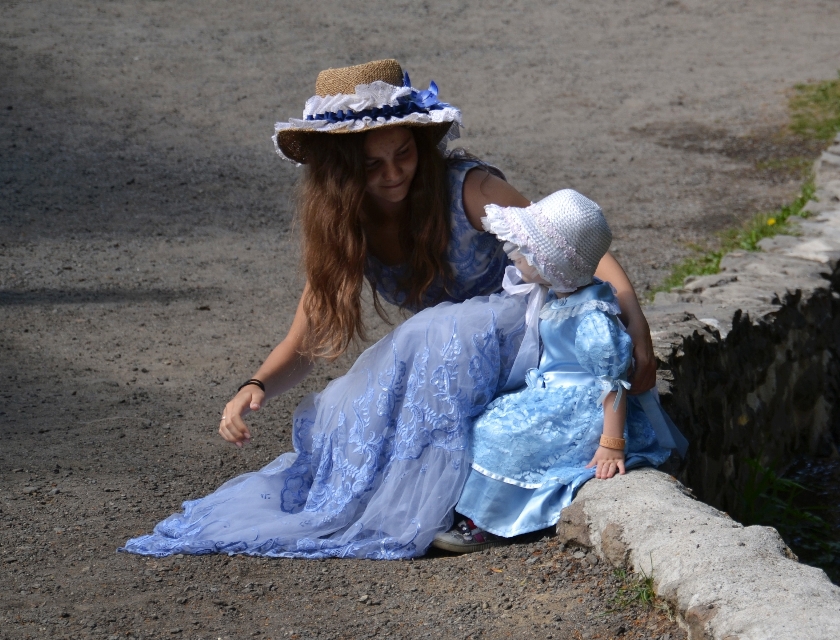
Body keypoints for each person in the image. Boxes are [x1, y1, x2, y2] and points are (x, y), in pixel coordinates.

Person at [120, 59, 657, 559]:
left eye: (404, 153)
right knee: (365, 416)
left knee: (427, 336)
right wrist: (254, 386)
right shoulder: (346, 226)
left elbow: (573, 247)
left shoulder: (465, 188)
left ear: (421, 143)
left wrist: (639, 336)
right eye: (372, 164)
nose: (394, 173)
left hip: (527, 337)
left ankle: (468, 505)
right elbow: (307, 338)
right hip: (451, 364)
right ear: (341, 170)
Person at [432, 190, 689, 554]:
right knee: (486, 423)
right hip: (550, 394)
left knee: (510, 439)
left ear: (553, 264)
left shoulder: (592, 319)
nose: (515, 255)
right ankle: (471, 509)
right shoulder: (562, 296)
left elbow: (613, 383)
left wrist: (612, 444)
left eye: (525, 250)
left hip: (580, 409)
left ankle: (489, 521)